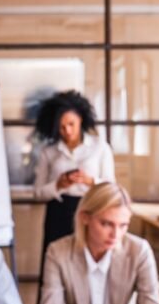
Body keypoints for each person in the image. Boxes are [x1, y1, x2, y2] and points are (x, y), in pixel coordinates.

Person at [38, 181, 159, 304]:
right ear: (85, 218)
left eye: (123, 225)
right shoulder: (58, 252)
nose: (116, 235)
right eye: (106, 224)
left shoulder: (139, 251)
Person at [33, 90, 115, 253]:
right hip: (57, 211)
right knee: (55, 255)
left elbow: (111, 187)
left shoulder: (100, 147)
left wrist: (90, 181)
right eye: (61, 127)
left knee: (86, 256)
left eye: (71, 124)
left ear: (81, 119)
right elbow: (38, 193)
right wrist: (58, 185)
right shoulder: (49, 152)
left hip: (90, 209)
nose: (67, 131)